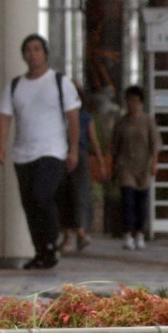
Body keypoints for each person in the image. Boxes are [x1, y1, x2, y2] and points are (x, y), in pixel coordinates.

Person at [0, 34, 80, 270]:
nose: (32, 54)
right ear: (23, 55)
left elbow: (73, 118)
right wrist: (1, 145)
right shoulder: (15, 85)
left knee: (42, 195)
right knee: (29, 203)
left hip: (52, 151)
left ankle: (52, 242)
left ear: (45, 53)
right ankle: (40, 251)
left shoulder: (59, 82)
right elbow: (4, 117)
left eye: (37, 49)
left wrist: (73, 149)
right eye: (28, 50)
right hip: (23, 153)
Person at [110, 85, 160, 250]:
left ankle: (139, 233)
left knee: (141, 202)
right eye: (129, 101)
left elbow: (155, 144)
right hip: (125, 166)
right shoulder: (121, 122)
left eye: (135, 101)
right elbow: (115, 146)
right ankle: (127, 234)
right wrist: (113, 166)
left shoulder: (148, 121)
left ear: (141, 103)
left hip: (143, 166)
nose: (132, 104)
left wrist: (154, 163)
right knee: (128, 200)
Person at [57, 82, 105, 252]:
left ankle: (80, 232)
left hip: (80, 156)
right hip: (62, 155)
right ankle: (69, 236)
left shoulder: (84, 117)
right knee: (63, 194)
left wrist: (100, 162)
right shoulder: (60, 115)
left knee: (80, 193)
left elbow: (94, 141)